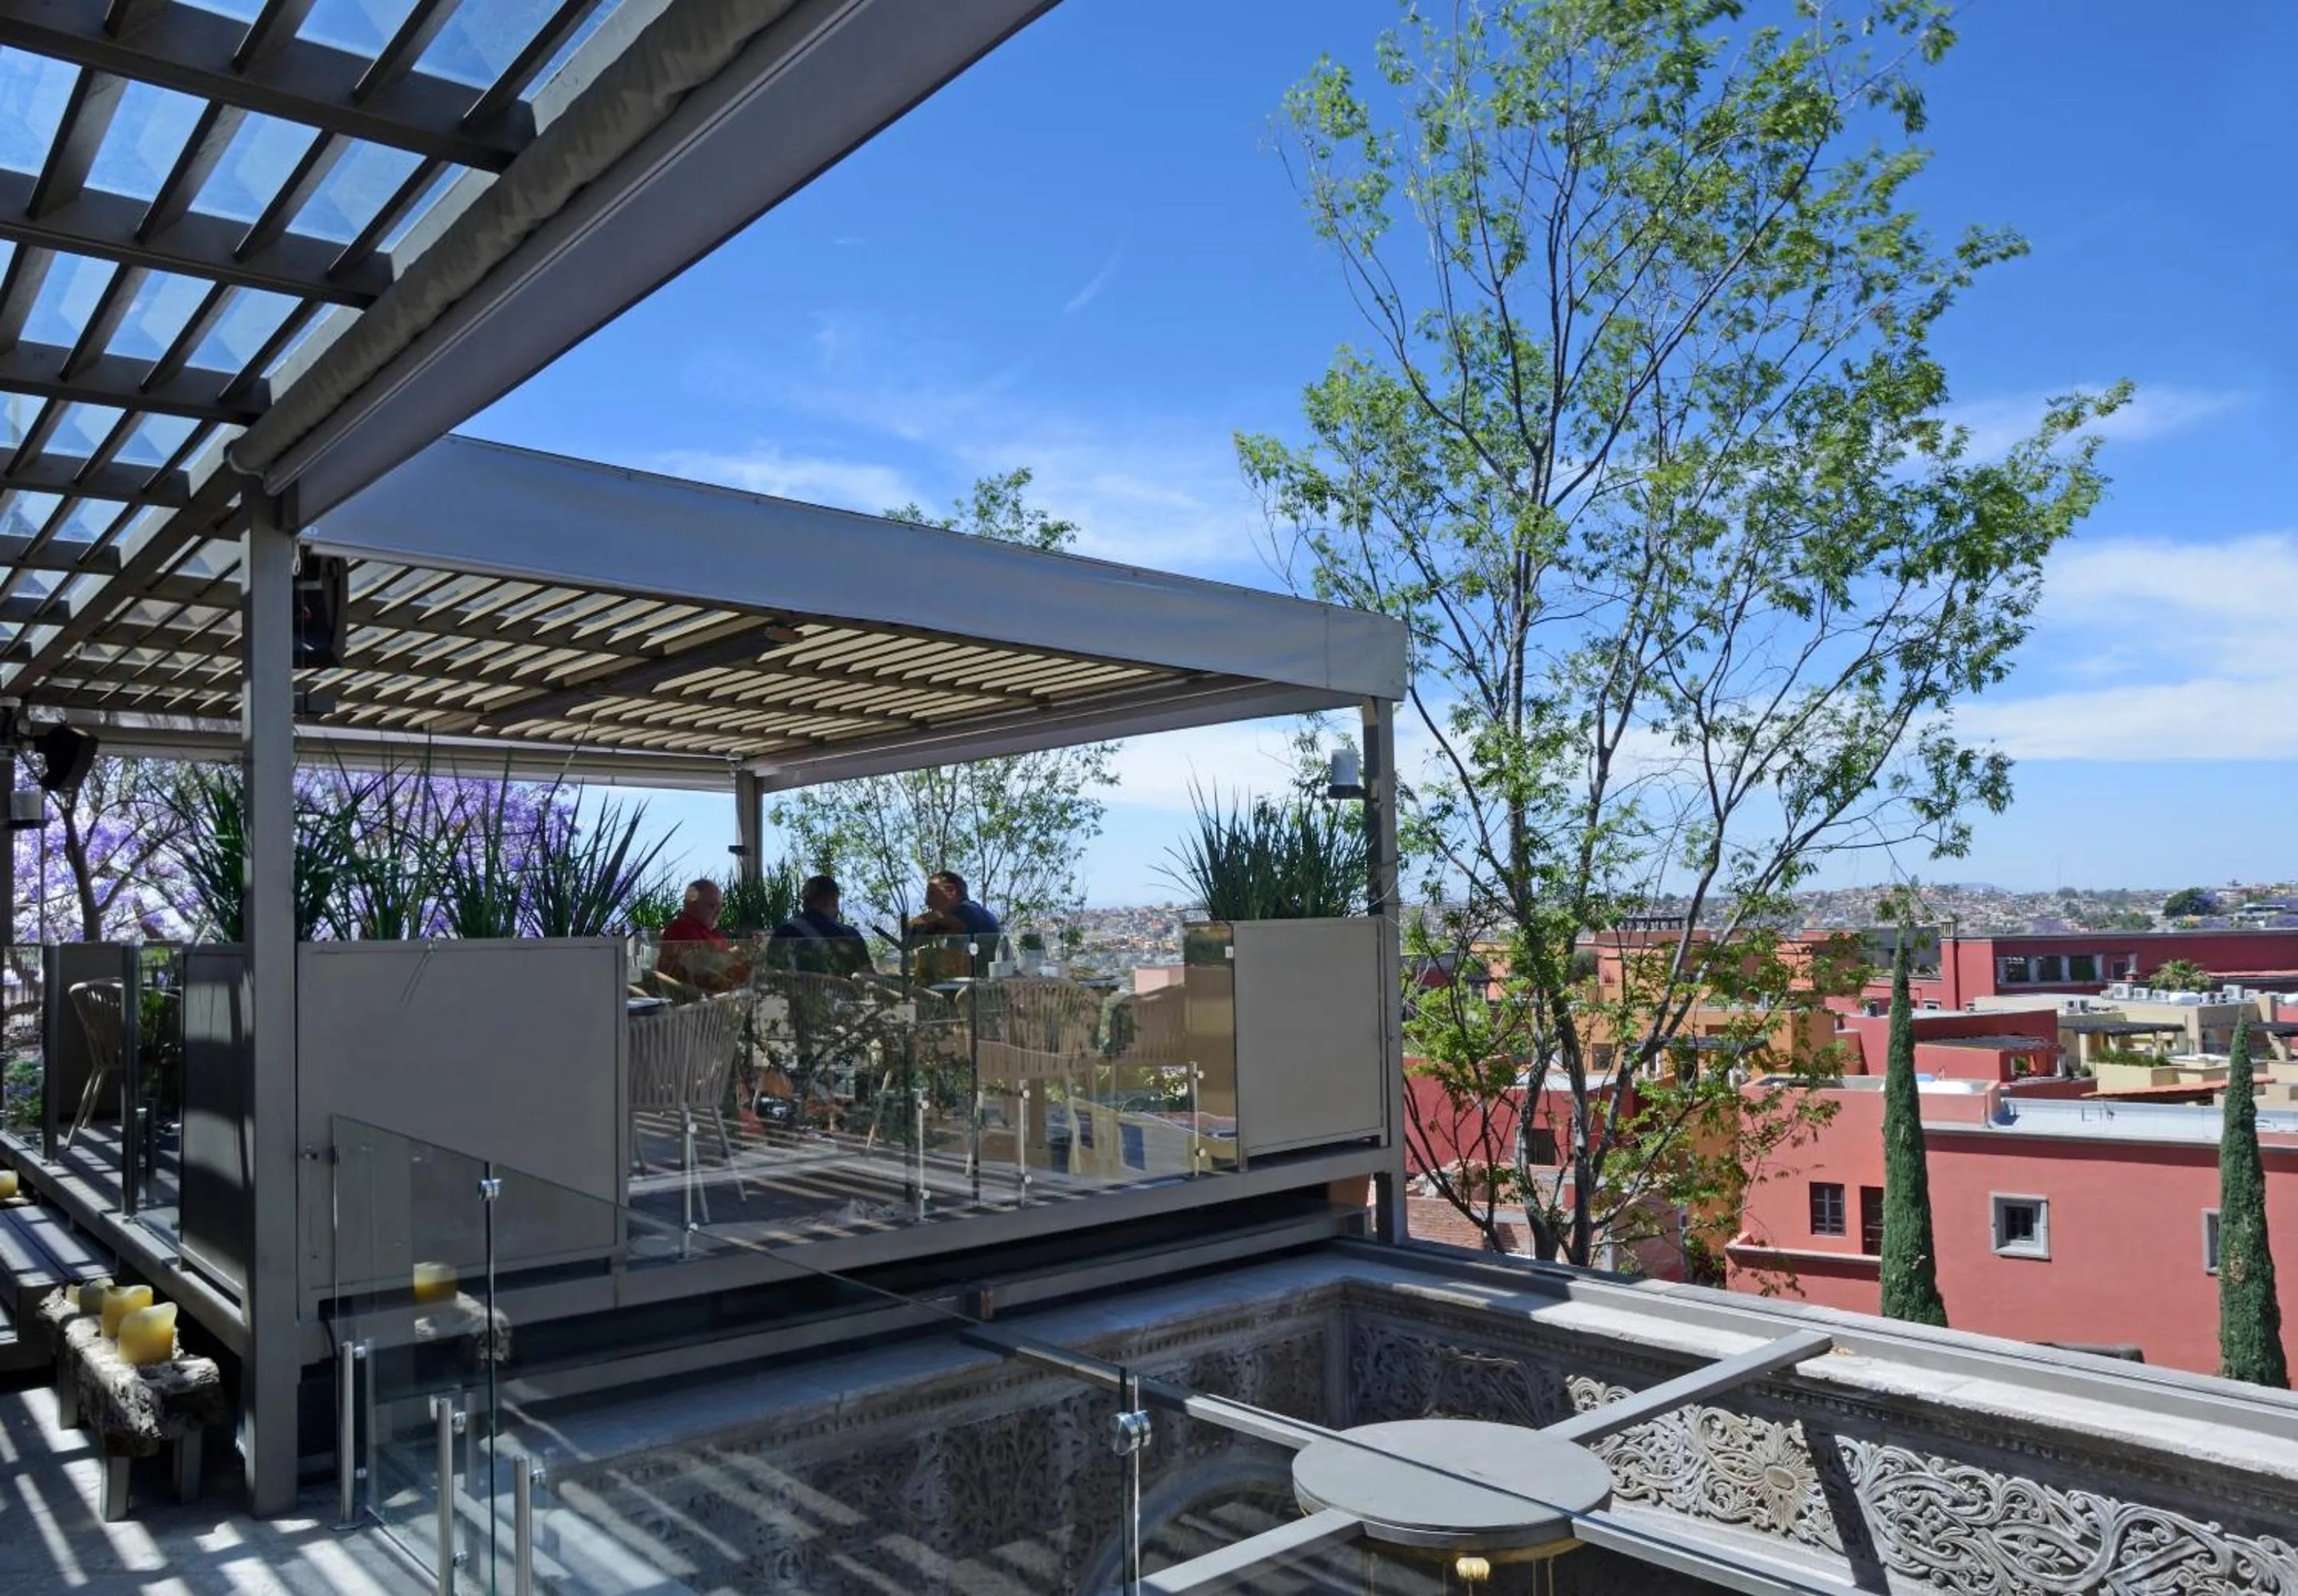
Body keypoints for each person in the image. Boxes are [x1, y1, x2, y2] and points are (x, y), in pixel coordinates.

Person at [767, 875, 872, 976]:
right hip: (839, 994)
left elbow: (771, 975)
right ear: (833, 901)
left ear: (804, 902)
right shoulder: (849, 934)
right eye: (837, 904)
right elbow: (868, 979)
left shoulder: (782, 932)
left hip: (793, 993)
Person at [657, 879, 750, 992]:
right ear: (692, 904)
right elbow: (704, 967)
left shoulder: (710, 930)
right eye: (712, 906)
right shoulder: (681, 929)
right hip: (702, 1001)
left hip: (726, 995)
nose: (718, 912)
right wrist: (737, 953)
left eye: (720, 907)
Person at [924, 870, 1000, 937]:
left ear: (951, 891)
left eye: (932, 894)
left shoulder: (963, 913)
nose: (927, 901)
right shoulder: (981, 913)